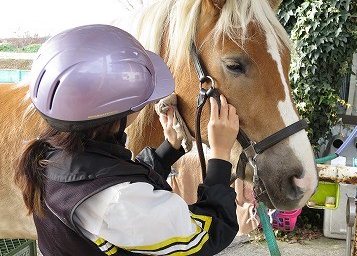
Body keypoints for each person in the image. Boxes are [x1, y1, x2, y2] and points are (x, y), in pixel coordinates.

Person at [14, 24, 239, 256]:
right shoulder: (115, 201)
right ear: (112, 113)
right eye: (141, 99)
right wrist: (221, 155)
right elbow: (204, 235)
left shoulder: (53, 155)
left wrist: (168, 149)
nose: (144, 106)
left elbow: (117, 180)